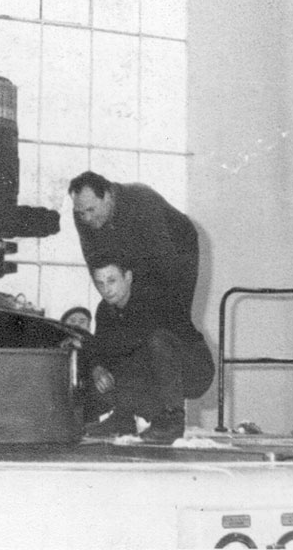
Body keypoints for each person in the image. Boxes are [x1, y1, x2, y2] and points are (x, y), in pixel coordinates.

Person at [68, 170, 214, 438]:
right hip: (132, 269)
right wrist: (111, 298)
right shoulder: (83, 213)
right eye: (81, 213)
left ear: (108, 196)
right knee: (117, 324)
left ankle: (169, 417)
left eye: (91, 210)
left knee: (156, 329)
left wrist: (142, 307)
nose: (86, 218)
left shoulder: (141, 205)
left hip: (176, 255)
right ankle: (123, 416)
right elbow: (96, 263)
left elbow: (164, 267)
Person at [82, 257, 214, 441]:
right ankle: (123, 418)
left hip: (194, 369)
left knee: (154, 342)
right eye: (100, 283)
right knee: (97, 375)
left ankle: (172, 421)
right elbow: (101, 349)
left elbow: (145, 350)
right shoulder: (104, 309)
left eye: (112, 280)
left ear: (128, 277)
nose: (106, 289)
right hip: (152, 367)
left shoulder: (152, 299)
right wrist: (97, 369)